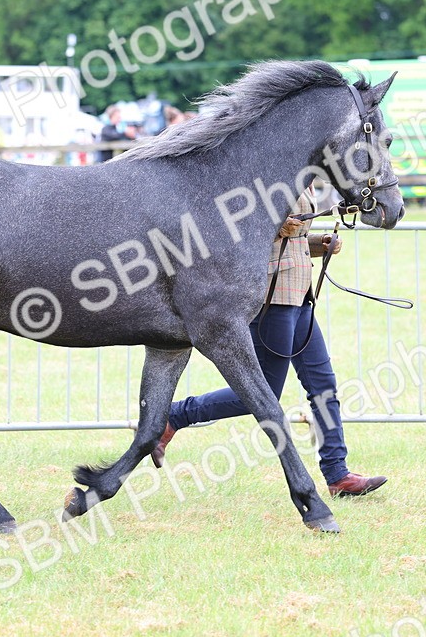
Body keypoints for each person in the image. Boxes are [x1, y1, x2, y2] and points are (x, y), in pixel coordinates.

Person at [152, 185, 387, 498]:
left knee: (323, 387)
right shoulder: (261, 178)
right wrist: (274, 230)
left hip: (300, 296)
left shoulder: (304, 173)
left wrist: (320, 242)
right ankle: (175, 415)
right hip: (270, 298)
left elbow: (296, 239)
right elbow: (233, 234)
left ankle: (337, 474)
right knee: (264, 391)